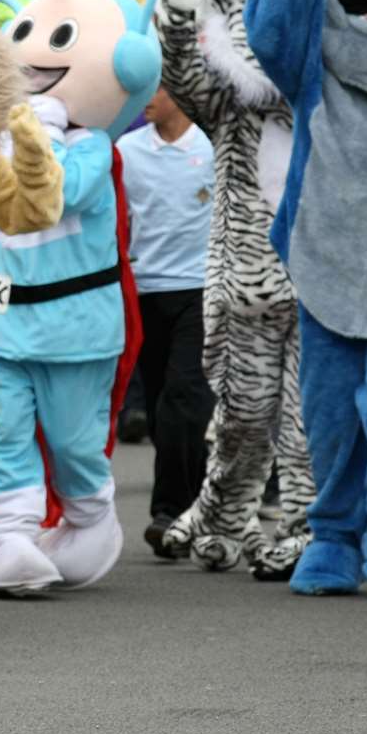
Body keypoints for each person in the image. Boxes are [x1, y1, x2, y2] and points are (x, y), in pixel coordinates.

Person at [118, 87, 217, 555]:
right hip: (143, 291)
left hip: (200, 290)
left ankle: (172, 511)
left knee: (185, 395)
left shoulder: (214, 146)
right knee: (160, 405)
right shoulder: (125, 150)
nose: (145, 98)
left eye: (156, 87)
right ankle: (202, 497)